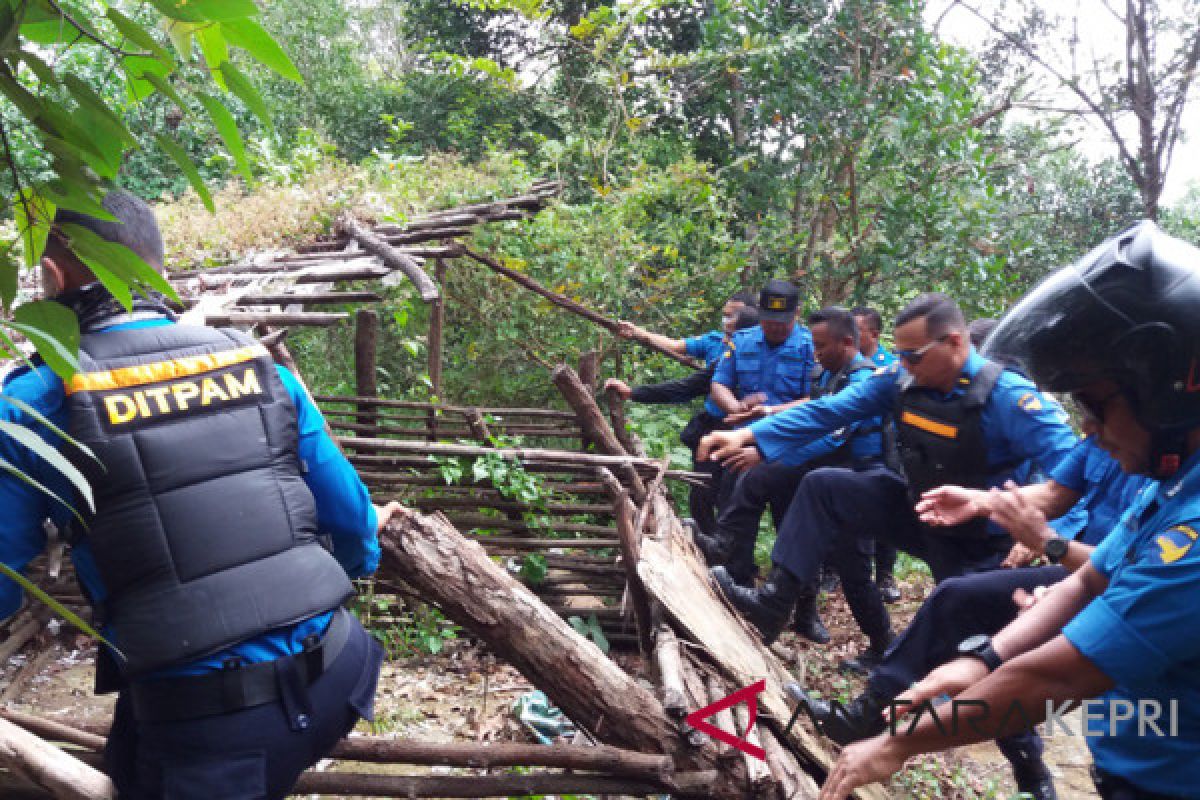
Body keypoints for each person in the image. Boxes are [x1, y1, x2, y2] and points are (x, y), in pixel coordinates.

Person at [0, 190, 390, 799]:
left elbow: (2, 580)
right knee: (132, 758)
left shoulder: (36, 403)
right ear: (155, 263)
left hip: (213, 729)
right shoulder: (259, 365)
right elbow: (356, 527)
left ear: (51, 277)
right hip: (341, 672)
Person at [819, 221, 1200, 800]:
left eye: (1096, 404)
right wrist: (986, 658)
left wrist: (898, 744)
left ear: (1171, 387)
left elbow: (1060, 674)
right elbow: (1094, 580)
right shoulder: (1171, 481)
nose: (1089, 429)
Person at [699, 294, 1078, 668]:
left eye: (914, 356)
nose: (905, 365)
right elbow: (830, 411)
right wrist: (749, 437)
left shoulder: (1008, 398)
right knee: (824, 485)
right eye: (901, 355)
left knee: (979, 650)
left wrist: (1047, 534)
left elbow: (1078, 470)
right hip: (921, 511)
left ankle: (992, 718)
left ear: (954, 343)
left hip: (981, 542)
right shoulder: (899, 380)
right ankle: (772, 605)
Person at [797, 430, 1153, 800]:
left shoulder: (1179, 512)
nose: (1093, 423)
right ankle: (1029, 772)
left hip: (1161, 755)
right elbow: (1059, 504)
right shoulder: (1135, 459)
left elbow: (1065, 667)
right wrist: (982, 501)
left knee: (970, 609)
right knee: (971, 611)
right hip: (1078, 575)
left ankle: (875, 719)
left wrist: (899, 744)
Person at [692, 307, 886, 643]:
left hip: (857, 482)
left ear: (846, 342)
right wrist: (761, 426)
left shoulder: (863, 380)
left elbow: (830, 430)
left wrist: (764, 449)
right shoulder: (827, 374)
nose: (816, 352)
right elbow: (810, 408)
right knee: (782, 515)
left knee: (854, 573)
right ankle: (729, 549)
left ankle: (883, 643)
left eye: (822, 345)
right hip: (820, 475)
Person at [610, 292, 757, 534]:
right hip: (715, 428)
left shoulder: (761, 356)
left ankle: (731, 557)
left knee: (734, 496)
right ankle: (711, 545)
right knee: (702, 491)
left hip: (749, 436)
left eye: (732, 327)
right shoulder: (722, 349)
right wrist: (638, 334)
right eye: (726, 320)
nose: (725, 333)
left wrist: (633, 393)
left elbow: (687, 387)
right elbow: (679, 356)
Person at [851, 305, 900, 602]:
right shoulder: (843, 365)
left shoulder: (890, 366)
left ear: (874, 334)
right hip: (849, 452)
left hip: (884, 453)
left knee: (885, 516)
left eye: (857, 330)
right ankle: (839, 572)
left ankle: (884, 575)